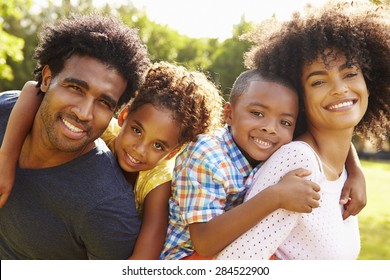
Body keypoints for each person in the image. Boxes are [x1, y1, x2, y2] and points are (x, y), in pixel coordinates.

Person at [216, 0, 389, 260]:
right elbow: (233, 265)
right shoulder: (299, 161)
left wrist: (355, 170)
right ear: (299, 98)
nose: (339, 88)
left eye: (350, 73)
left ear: (369, 81)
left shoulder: (341, 168)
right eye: (318, 81)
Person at [0, 61, 224, 259]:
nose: (139, 149)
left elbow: (145, 257)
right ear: (124, 117)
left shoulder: (159, 181)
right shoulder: (102, 128)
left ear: (172, 153)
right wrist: (7, 159)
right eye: (137, 130)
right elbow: (32, 89)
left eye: (158, 146)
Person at [0, 13, 150, 259]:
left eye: (103, 102)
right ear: (47, 79)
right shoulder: (5, 110)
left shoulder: (107, 208)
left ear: (115, 112)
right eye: (76, 88)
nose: (84, 113)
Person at [161, 69, 324, 260]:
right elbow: (205, 243)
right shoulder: (208, 153)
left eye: (285, 122)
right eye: (257, 113)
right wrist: (275, 195)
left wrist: (354, 170)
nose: (270, 128)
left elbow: (324, 136)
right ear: (229, 115)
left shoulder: (277, 153)